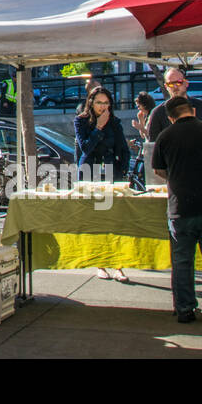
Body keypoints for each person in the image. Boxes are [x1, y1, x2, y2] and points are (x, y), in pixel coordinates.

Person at [152, 95, 202, 324]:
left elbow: (158, 170)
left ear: (170, 117)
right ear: (192, 111)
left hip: (180, 208)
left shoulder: (165, 136)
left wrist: (177, 177)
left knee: (182, 263)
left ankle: (185, 309)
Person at [73, 87, 130, 282]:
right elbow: (85, 148)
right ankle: (100, 264)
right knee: (97, 221)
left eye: (106, 103)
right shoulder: (81, 121)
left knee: (116, 220)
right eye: (99, 102)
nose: (103, 107)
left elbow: (123, 149)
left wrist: (121, 171)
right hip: (90, 172)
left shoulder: (115, 123)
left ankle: (119, 266)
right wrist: (98, 127)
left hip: (111, 173)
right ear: (91, 103)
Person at [146, 68, 202, 142]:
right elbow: (153, 145)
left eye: (178, 82)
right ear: (166, 87)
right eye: (170, 84)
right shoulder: (158, 112)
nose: (175, 87)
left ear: (186, 83)